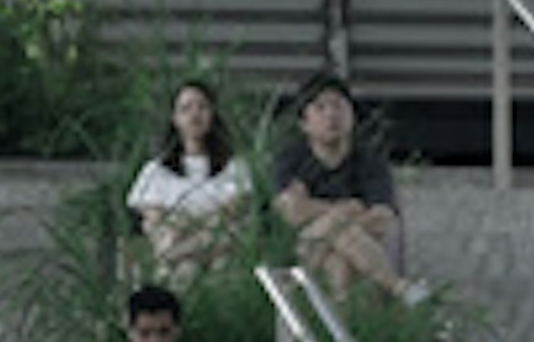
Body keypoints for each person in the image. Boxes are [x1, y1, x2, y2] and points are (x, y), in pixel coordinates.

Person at [271, 72, 408, 304]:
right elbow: (289, 211)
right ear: (304, 123)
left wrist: (323, 216)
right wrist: (348, 209)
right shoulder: (290, 159)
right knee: (338, 228)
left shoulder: (370, 161)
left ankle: (338, 332)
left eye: (338, 106)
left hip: (352, 252)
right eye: (320, 108)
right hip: (304, 251)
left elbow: (383, 218)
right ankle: (400, 288)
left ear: (352, 115)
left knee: (339, 262)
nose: (331, 115)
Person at [127, 82, 248, 262]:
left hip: (213, 248)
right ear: (174, 118)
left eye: (202, 107)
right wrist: (202, 226)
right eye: (186, 108)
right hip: (182, 244)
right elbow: (155, 218)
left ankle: (179, 252)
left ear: (213, 114)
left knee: (225, 238)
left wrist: (187, 229)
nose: (194, 114)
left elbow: (234, 209)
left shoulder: (235, 166)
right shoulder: (155, 170)